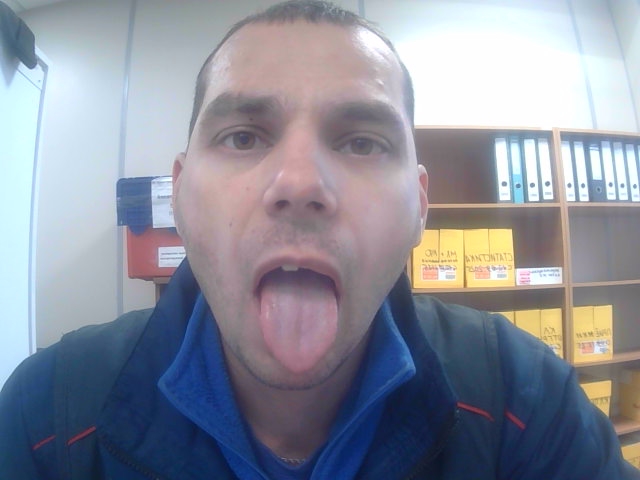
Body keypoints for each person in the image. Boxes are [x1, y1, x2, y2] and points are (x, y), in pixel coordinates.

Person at [1, 1, 638, 478]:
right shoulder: (45, 416)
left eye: (362, 142)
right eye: (243, 137)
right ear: (182, 192)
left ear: (419, 205)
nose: (300, 183)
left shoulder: (529, 403)